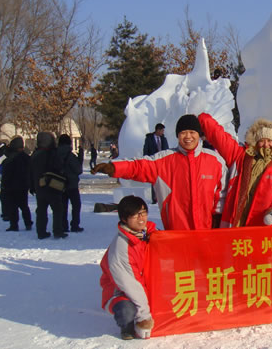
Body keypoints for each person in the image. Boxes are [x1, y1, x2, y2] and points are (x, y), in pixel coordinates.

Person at [92, 115, 227, 231]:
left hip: (207, 234)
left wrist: (218, 221)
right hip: (176, 235)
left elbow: (223, 195)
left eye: (192, 132)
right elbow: (138, 166)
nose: (188, 137)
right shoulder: (164, 160)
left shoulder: (215, 161)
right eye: (183, 132)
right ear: (177, 135)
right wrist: (114, 168)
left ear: (199, 134)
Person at [198, 113, 272, 227]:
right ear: (255, 142)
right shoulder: (240, 156)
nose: (266, 145)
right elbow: (219, 136)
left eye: (270, 141)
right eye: (262, 140)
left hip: (261, 226)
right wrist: (202, 117)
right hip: (233, 224)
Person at [100, 195, 156, 340]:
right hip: (120, 291)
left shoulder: (147, 234)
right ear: (124, 219)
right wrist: (144, 318)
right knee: (126, 310)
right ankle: (127, 326)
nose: (141, 218)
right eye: (135, 215)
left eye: (143, 212)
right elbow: (132, 286)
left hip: (143, 283)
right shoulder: (122, 247)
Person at [29, 132, 67, 239]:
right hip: (52, 186)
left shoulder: (35, 155)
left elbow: (30, 172)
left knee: (41, 210)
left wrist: (32, 186)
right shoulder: (53, 154)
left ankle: (41, 232)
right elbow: (59, 167)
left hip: (39, 186)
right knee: (57, 209)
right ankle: (58, 231)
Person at [0, 136, 33, 231]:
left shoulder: (10, 158)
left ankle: (14, 225)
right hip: (23, 186)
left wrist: (5, 185)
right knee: (24, 206)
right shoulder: (27, 158)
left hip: (12, 186)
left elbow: (6, 173)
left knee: (13, 207)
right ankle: (28, 223)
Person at [57, 134, 84, 232]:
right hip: (71, 184)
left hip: (59, 184)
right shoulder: (70, 155)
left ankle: (64, 225)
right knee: (76, 205)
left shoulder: (55, 154)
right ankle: (75, 225)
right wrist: (80, 158)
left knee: (63, 206)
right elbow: (78, 170)